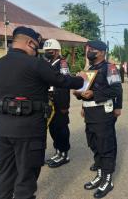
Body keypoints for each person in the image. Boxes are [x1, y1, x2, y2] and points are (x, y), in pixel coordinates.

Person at [0, 26, 86, 199]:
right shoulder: (36, 64)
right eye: (37, 46)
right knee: (26, 176)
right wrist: (81, 80)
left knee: (5, 172)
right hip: (29, 129)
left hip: (3, 129)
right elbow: (61, 80)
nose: (38, 51)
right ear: (30, 43)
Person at [73, 40, 123, 198]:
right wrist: (80, 98)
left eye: (93, 49)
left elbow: (116, 89)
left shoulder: (109, 67)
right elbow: (86, 89)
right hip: (90, 113)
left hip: (102, 112)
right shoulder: (90, 69)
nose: (90, 51)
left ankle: (108, 179)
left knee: (105, 146)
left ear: (102, 52)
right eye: (89, 49)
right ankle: (100, 175)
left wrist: (97, 96)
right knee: (93, 143)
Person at [42, 39, 72, 168]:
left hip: (60, 101)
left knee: (61, 129)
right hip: (50, 101)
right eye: (46, 51)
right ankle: (58, 151)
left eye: (51, 51)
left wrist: (65, 105)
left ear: (57, 51)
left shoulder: (62, 63)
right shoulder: (48, 63)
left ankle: (64, 154)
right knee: (53, 128)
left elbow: (65, 84)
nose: (48, 52)